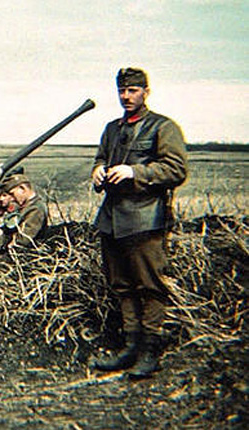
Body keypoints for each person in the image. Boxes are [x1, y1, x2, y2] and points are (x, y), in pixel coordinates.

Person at [91, 67, 188, 378]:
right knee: (122, 285)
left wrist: (136, 172)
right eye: (122, 91)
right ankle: (130, 347)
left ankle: (150, 352)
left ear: (146, 91)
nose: (126, 96)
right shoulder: (111, 128)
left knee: (149, 286)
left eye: (132, 91)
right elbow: (101, 157)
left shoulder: (163, 127)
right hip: (113, 219)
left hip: (145, 218)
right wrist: (98, 170)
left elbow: (176, 170)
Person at [0, 174, 47, 248]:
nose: (12, 198)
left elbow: (23, 240)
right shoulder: (25, 206)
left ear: (22, 189)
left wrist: (1, 238)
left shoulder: (36, 209)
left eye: (12, 194)